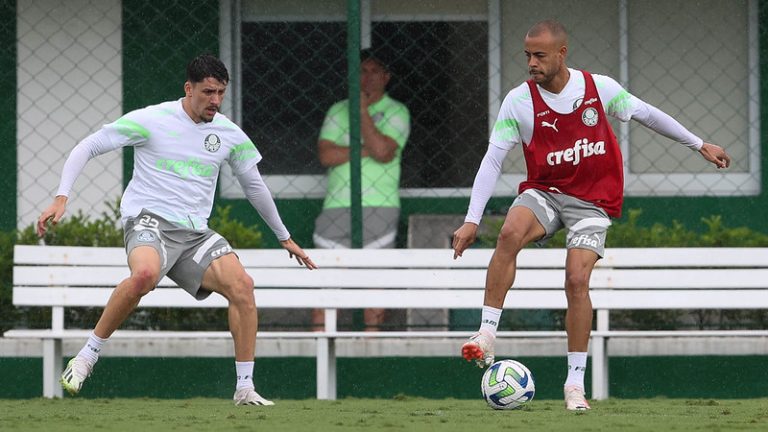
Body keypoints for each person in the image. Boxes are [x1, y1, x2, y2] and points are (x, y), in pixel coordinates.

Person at [451, 20, 730, 411]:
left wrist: (698, 144)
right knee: (510, 231)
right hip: (545, 191)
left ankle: (574, 385)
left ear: (562, 54)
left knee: (576, 278)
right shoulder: (519, 100)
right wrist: (472, 218)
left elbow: (647, 114)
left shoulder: (599, 89)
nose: (531, 62)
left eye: (540, 55)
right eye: (527, 55)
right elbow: (493, 158)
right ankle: (486, 335)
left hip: (593, 201)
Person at [37, 54, 317, 406]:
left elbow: (254, 186)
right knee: (144, 276)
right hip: (149, 219)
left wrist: (284, 237)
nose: (215, 100)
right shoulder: (152, 120)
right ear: (189, 88)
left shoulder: (228, 133)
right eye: (208, 92)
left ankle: (244, 387)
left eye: (221, 93)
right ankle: (87, 356)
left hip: (194, 234)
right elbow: (89, 146)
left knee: (243, 286)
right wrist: (62, 197)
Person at [311, 49, 410, 331]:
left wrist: (363, 112)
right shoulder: (337, 109)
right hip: (336, 203)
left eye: (373, 71)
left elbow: (382, 151)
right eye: (361, 72)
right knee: (325, 277)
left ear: (386, 77)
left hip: (380, 203)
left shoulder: (397, 110)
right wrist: (366, 149)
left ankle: (371, 342)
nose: (366, 78)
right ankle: (320, 340)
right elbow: (326, 155)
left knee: (373, 279)